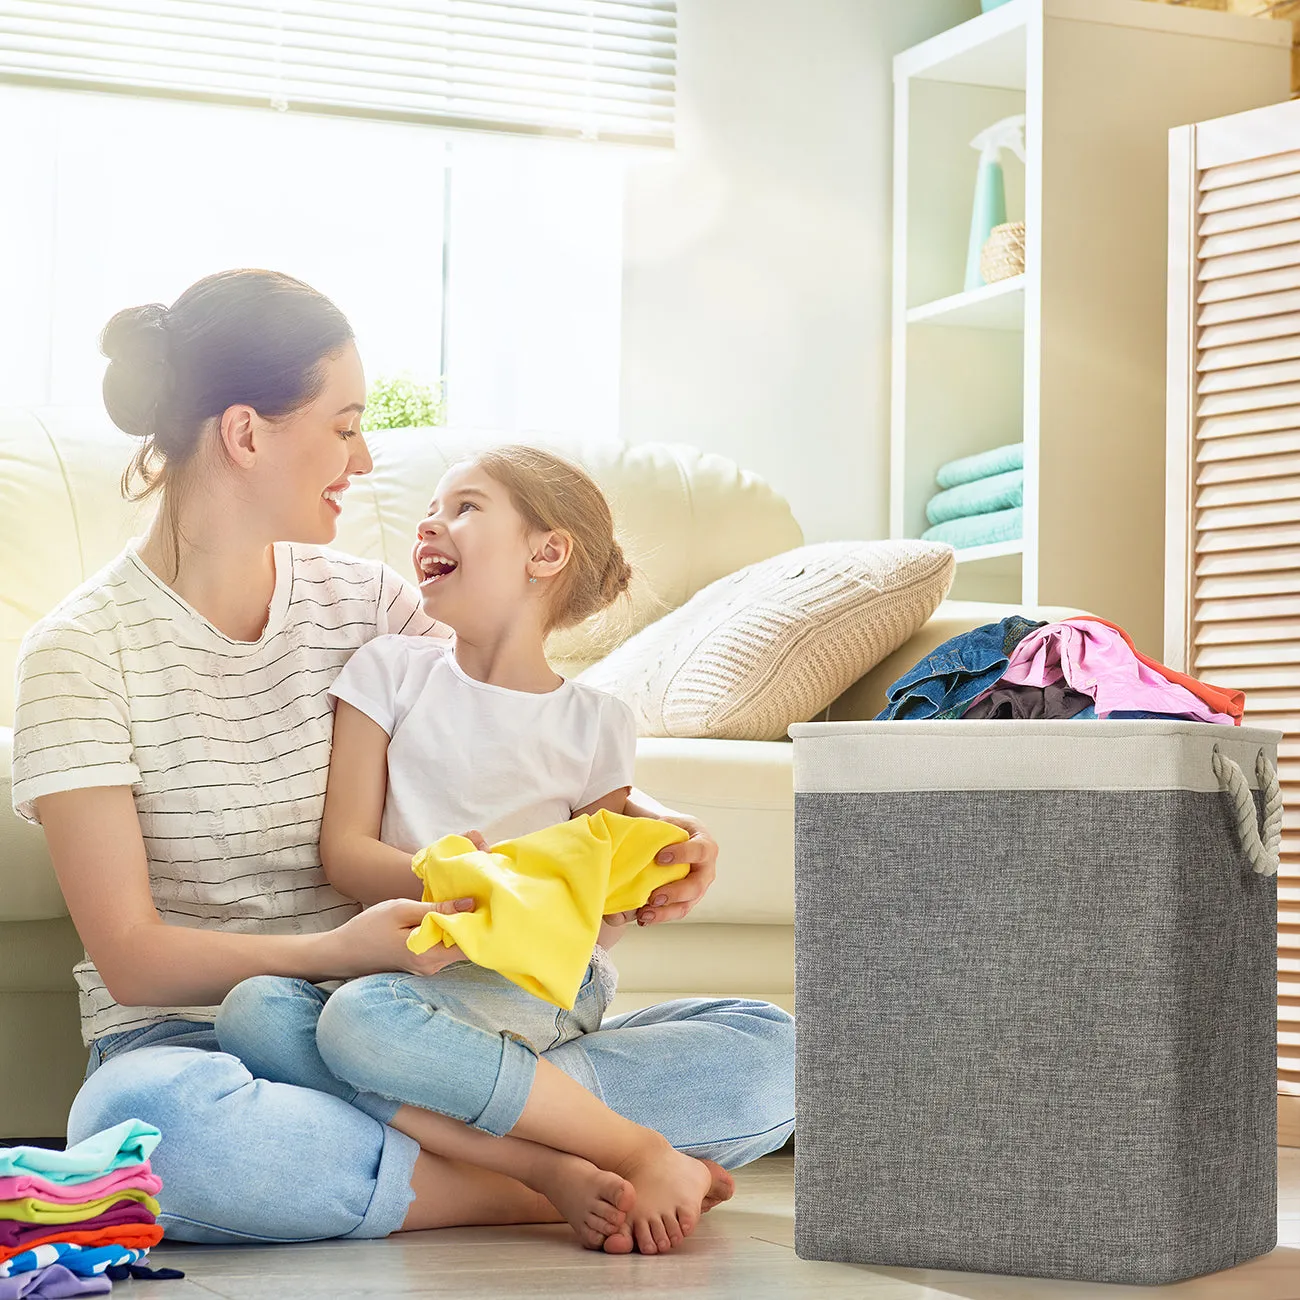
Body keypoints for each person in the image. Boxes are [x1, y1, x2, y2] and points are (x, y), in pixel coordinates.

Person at [10, 269, 795, 1250]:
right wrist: (337, 953)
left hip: (414, 1027)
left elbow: (516, 718)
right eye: (343, 425)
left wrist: (648, 826)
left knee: (779, 1049)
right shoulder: (81, 653)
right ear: (247, 433)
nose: (364, 455)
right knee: (165, 1139)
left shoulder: (370, 604)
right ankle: (546, 1170)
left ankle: (460, 1140)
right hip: (208, 1039)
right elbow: (132, 958)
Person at [217, 444, 734, 1255]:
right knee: (253, 1008)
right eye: (432, 507)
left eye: (464, 506)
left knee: (772, 1040)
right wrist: (457, 879)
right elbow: (345, 853)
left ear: (547, 551)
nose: (432, 520)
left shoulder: (596, 722)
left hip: (531, 983)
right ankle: (556, 1167)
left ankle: (619, 1145)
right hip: (413, 968)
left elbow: (590, 896)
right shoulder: (389, 671)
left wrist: (653, 869)